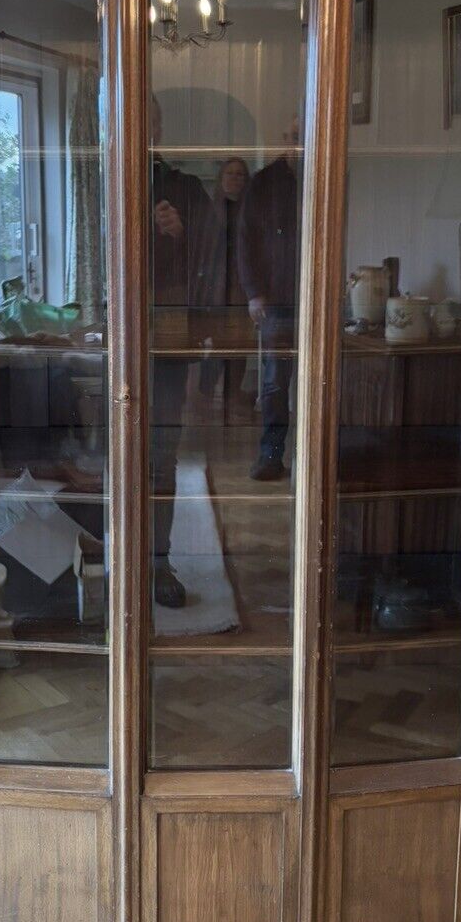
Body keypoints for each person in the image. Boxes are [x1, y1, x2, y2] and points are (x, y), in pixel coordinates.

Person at [149, 98, 211, 608]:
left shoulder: (186, 190)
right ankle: (104, 556)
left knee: (160, 459)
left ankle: (156, 561)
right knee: (97, 461)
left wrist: (181, 235)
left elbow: (217, 257)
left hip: (165, 340)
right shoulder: (93, 185)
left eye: (148, 116)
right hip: (107, 339)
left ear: (158, 124)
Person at [239, 124, 299, 481]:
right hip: (276, 301)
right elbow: (245, 241)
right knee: (276, 383)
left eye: (304, 136)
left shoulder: (324, 175)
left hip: (315, 300)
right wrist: (254, 293)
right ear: (285, 141)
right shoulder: (264, 183)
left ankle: (314, 460)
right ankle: (271, 457)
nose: (299, 144)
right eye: (293, 137)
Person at [197, 157, 250, 425]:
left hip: (242, 290)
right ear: (221, 177)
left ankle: (232, 398)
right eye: (230, 173)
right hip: (216, 290)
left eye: (240, 174)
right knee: (216, 349)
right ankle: (205, 397)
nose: (235, 178)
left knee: (239, 349)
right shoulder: (211, 209)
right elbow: (203, 253)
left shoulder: (251, 210)